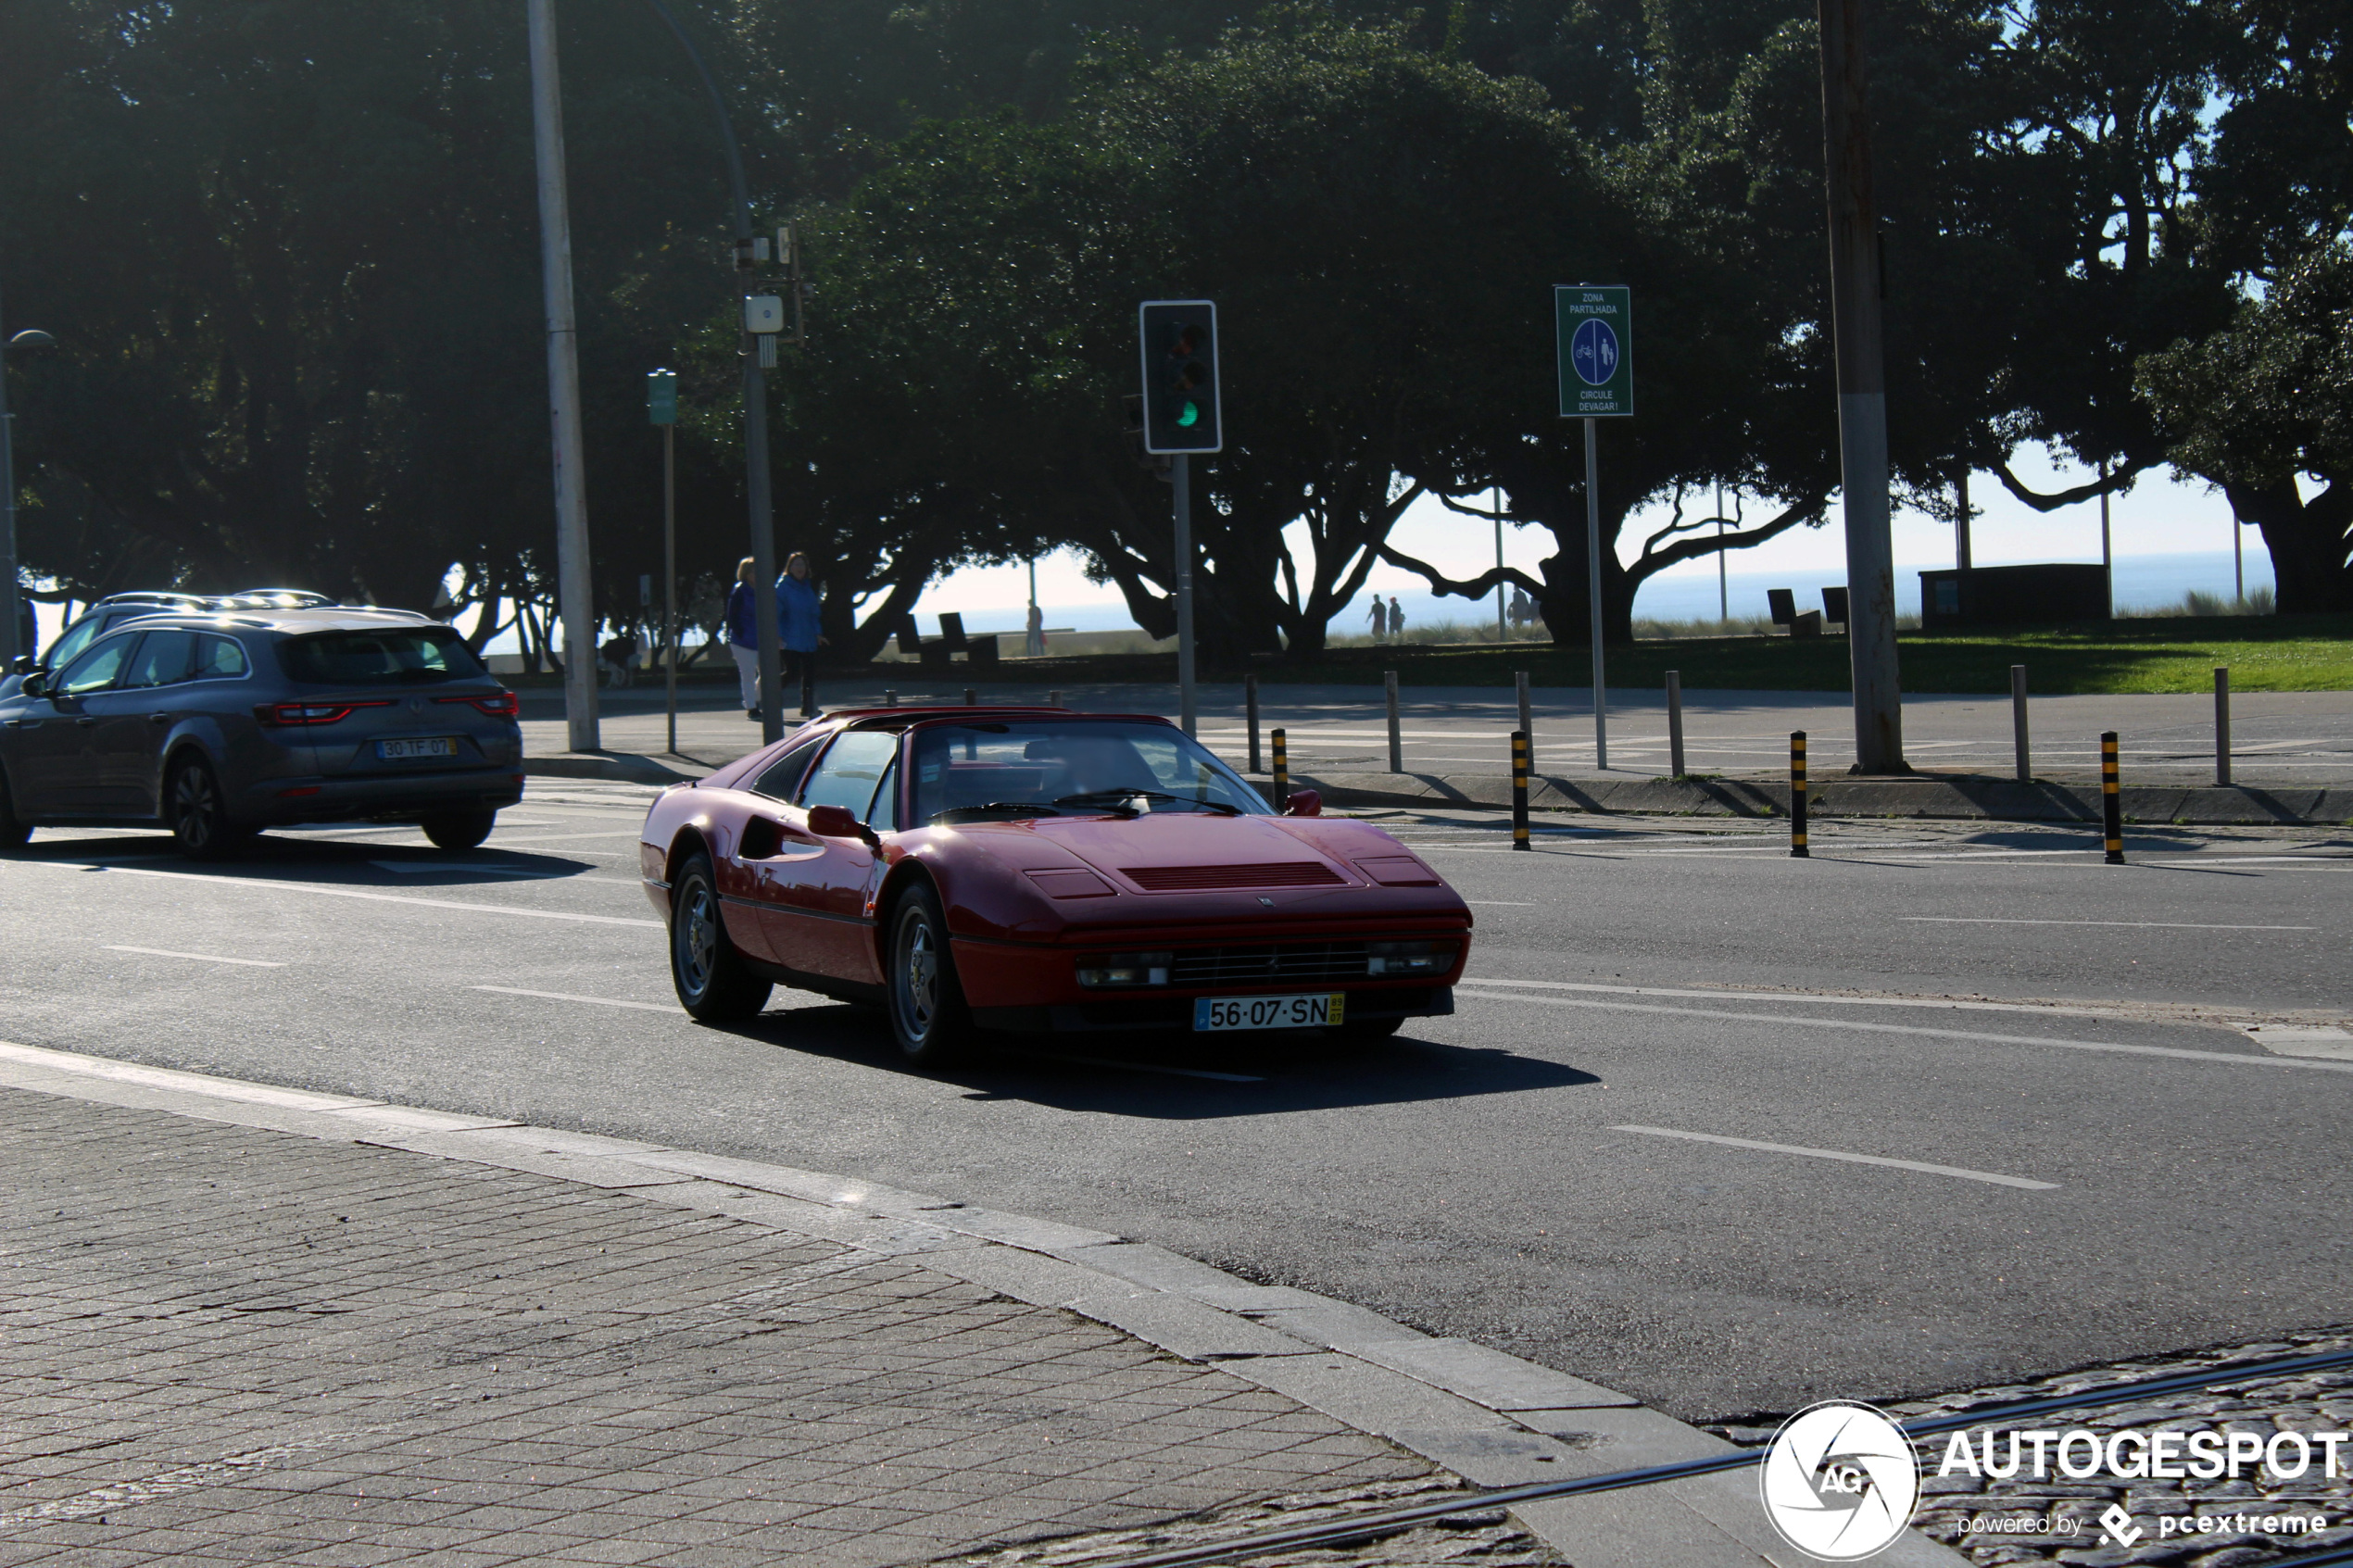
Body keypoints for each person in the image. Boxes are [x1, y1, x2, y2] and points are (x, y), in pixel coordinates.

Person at [774, 551, 826, 718]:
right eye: (796, 564)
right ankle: (770, 696)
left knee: (809, 674)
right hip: (788, 638)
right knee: (792, 672)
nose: (799, 568)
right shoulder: (782, 588)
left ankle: (808, 707)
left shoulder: (807, 588)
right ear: (789, 568)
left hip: (808, 638)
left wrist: (818, 633)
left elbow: (813, 613)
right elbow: (777, 614)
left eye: (802, 564)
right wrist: (778, 635)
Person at [724, 558, 761, 718]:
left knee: (769, 673)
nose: (756, 574)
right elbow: (732, 615)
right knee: (748, 674)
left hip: (761, 639)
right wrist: (739, 633)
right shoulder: (740, 590)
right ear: (745, 574)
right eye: (752, 571)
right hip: (742, 640)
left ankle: (756, 698)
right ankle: (751, 708)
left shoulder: (764, 590)